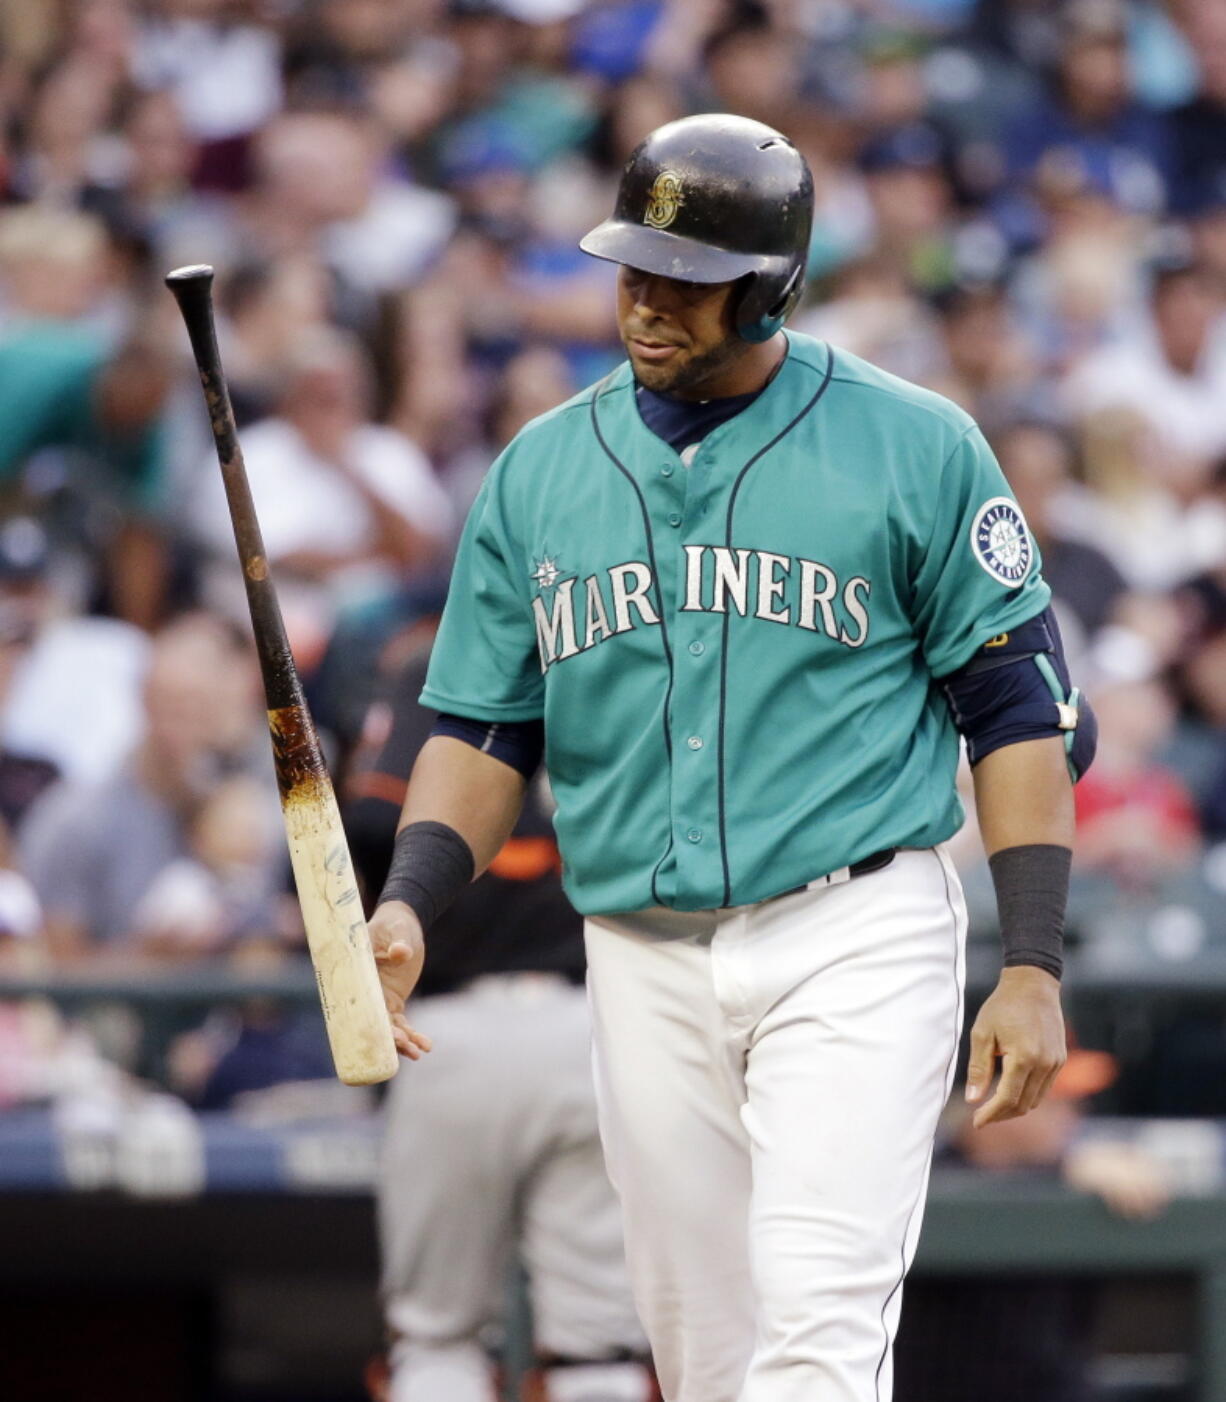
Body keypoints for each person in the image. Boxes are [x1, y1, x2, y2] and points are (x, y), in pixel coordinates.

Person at [368, 114, 1096, 1402]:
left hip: (853, 923)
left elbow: (1016, 709)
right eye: (632, 268)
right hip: (639, 950)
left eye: (685, 279)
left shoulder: (913, 442)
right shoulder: (541, 468)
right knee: (706, 1362)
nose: (645, 301)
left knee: (814, 1333)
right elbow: (485, 728)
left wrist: (1031, 961)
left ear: (770, 287)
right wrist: (411, 902)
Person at [346, 638, 653, 1402]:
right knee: (599, 1348)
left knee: (436, 1340)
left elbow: (368, 823)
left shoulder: (440, 664)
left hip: (448, 1034)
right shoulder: (627, 645)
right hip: (594, 1027)